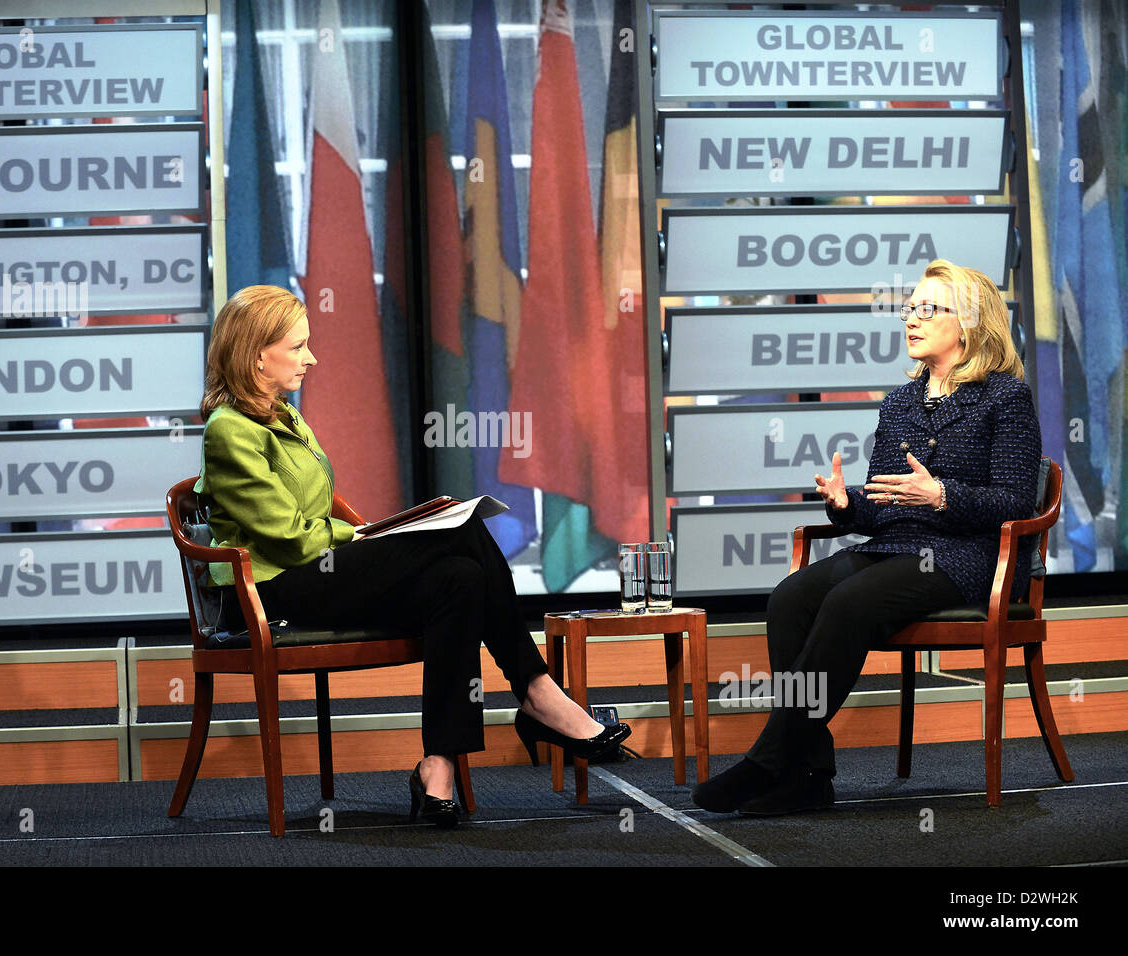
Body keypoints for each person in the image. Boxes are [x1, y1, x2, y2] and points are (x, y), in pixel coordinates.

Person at [194, 285, 630, 828]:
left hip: (314, 573)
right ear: (258, 354)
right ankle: (538, 692)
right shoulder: (228, 431)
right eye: (299, 346)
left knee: (460, 577)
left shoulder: (283, 416)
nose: (312, 358)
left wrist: (366, 533)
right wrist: (359, 536)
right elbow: (288, 536)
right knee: (464, 534)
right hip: (275, 591)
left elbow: (308, 519)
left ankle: (438, 767)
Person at [693, 259, 1042, 816]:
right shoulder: (899, 403)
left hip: (968, 556)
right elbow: (881, 504)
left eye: (929, 309)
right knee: (790, 596)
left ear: (971, 324)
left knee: (849, 601)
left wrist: (943, 496)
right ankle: (808, 774)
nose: (911, 319)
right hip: (894, 548)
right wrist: (846, 503)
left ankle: (770, 759)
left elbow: (1017, 501)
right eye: (911, 308)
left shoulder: (1005, 398)